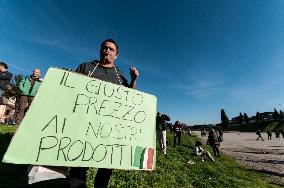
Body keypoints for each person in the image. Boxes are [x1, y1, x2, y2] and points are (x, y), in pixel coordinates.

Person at [67, 39, 139, 188]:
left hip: (108, 129)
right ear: (100, 50)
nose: (107, 51)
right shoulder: (85, 67)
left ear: (116, 55)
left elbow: (129, 98)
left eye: (111, 49)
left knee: (105, 169)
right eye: (105, 48)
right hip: (84, 125)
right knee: (78, 164)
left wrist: (133, 80)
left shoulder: (119, 76)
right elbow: (71, 90)